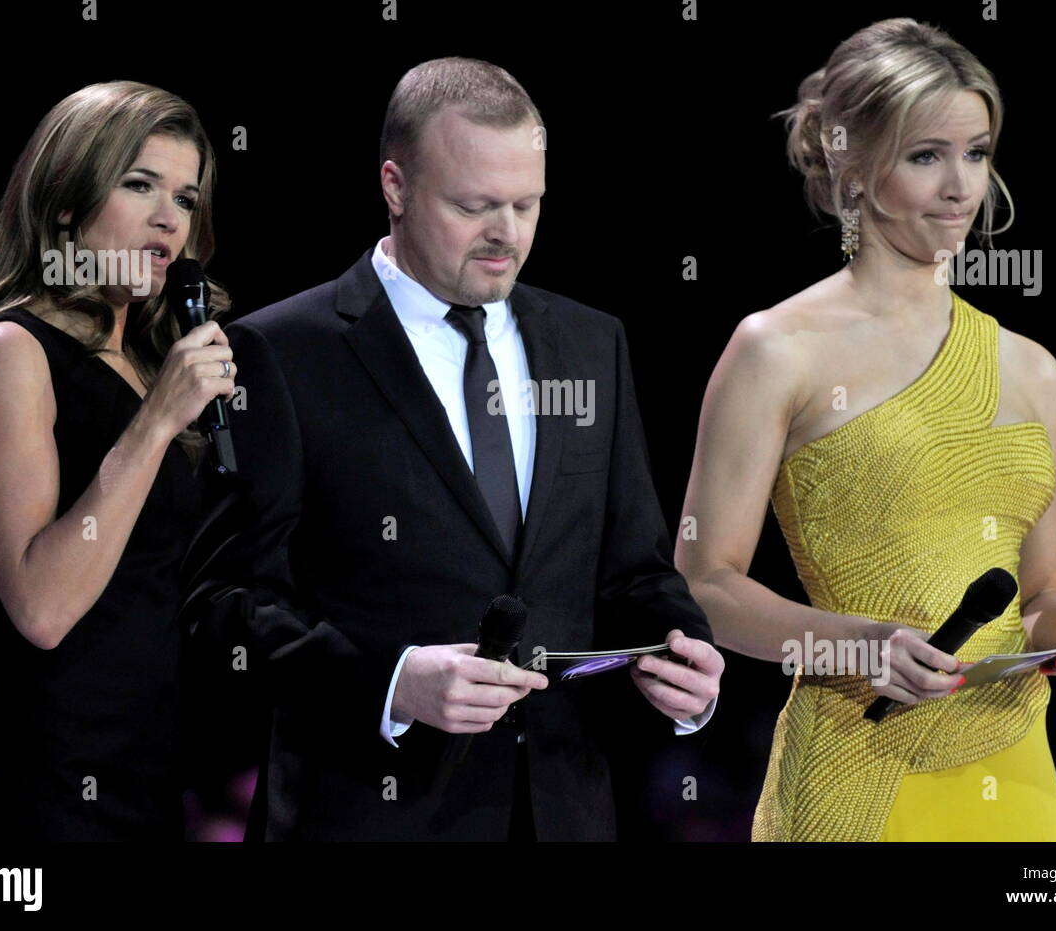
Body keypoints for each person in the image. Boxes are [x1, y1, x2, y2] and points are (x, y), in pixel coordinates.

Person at [181, 57, 722, 841]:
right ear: (395, 187)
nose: (506, 233)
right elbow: (225, 605)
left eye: (526, 204)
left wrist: (687, 655)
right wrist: (393, 682)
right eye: (474, 206)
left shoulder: (590, 343)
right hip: (367, 812)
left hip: (563, 811)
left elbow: (633, 567)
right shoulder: (281, 352)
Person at [673, 18, 1056, 841]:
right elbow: (704, 585)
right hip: (858, 770)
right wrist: (857, 646)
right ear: (853, 165)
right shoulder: (775, 349)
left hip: (1018, 776)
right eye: (927, 155)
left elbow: (1034, 600)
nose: (962, 187)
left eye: (978, 152)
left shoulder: (1034, 368)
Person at [0, 81, 237, 840]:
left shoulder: (140, 362)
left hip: (144, 777)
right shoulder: (12, 350)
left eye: (187, 199)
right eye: (140, 186)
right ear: (66, 201)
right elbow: (42, 607)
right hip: (37, 792)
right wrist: (158, 420)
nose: (169, 218)